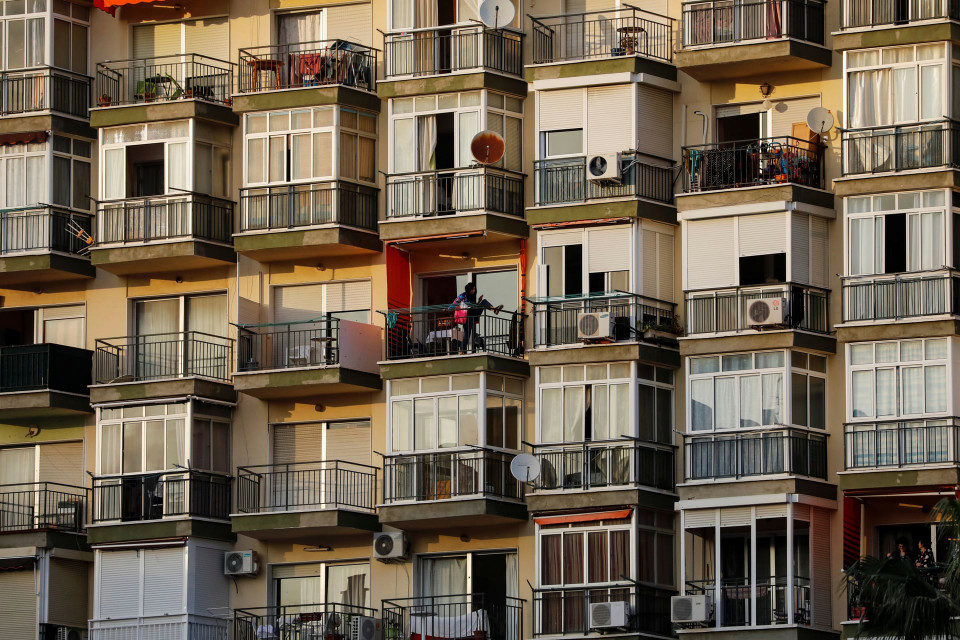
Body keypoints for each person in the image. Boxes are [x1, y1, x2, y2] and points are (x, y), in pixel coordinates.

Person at [450, 282, 503, 353]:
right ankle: (462, 350)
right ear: (469, 290)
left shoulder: (473, 296)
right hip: (467, 316)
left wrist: (479, 301)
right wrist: (448, 308)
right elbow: (455, 303)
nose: (474, 291)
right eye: (472, 289)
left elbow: (473, 306)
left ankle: (495, 310)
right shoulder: (463, 295)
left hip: (473, 314)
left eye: (474, 289)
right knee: (467, 334)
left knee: (484, 301)